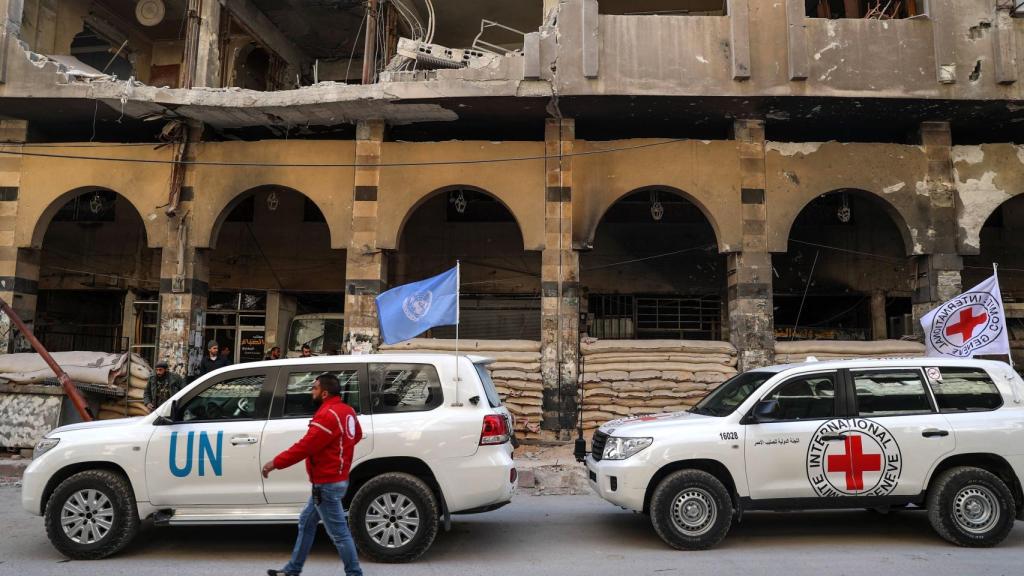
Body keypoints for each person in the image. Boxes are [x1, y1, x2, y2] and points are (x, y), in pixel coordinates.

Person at [263, 373, 364, 576]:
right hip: (336, 479)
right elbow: (357, 435)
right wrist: (338, 454)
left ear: (324, 393)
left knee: (339, 534)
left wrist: (274, 463)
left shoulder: (327, 415)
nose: (312, 391)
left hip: (327, 484)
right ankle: (293, 570)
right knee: (306, 522)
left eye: (315, 388)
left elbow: (305, 447)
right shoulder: (347, 411)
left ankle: (355, 574)